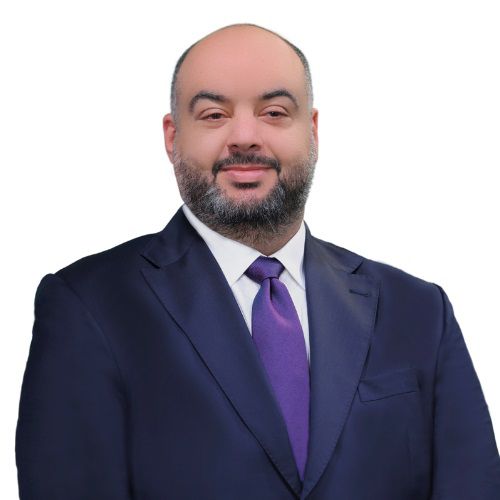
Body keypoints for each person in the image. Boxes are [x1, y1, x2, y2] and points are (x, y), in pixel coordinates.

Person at [15, 23, 500, 500]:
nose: (245, 136)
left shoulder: (419, 311)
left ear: (312, 131)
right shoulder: (89, 306)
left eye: (274, 112)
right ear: (172, 136)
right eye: (213, 114)